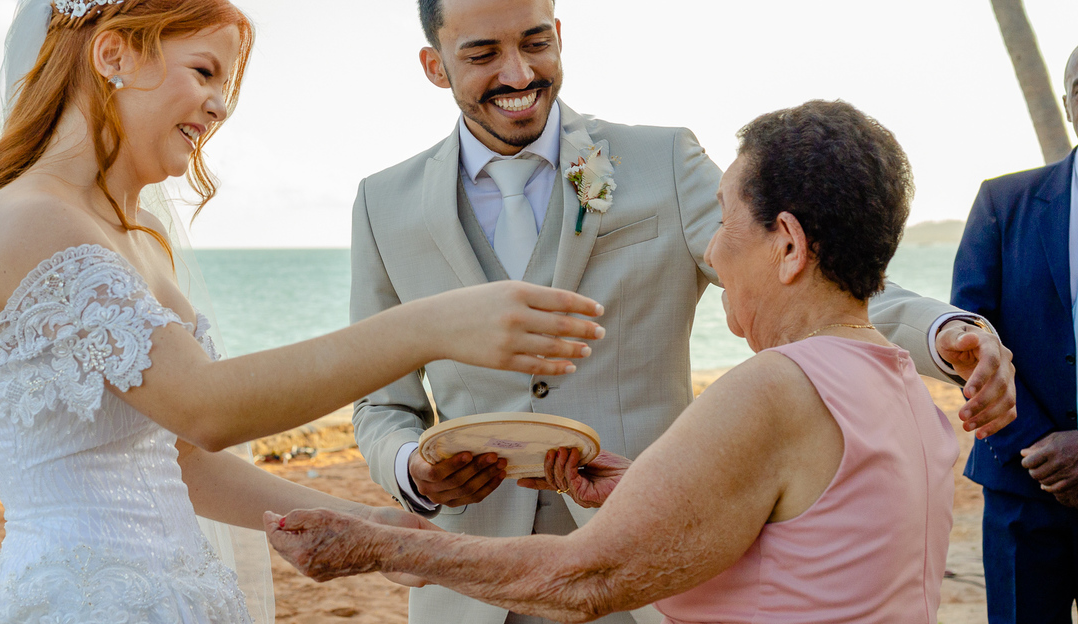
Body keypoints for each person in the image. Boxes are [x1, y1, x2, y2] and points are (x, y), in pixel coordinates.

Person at [0, 0, 605, 624]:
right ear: (113, 55)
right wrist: (431, 326)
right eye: (204, 71)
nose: (219, 108)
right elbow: (207, 408)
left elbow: (184, 460)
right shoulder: (30, 218)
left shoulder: (139, 238)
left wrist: (367, 522)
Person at [348, 0, 1015, 624]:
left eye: (536, 42)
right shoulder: (382, 205)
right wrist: (410, 470)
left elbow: (810, 276)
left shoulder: (661, 162)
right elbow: (379, 400)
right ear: (435, 65)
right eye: (483, 54)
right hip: (469, 592)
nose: (518, 75)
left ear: (560, 34)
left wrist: (945, 333)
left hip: (651, 574)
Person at [271, 100, 962, 623]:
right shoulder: (910, 398)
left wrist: (379, 547)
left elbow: (586, 580)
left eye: (724, 221)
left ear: (787, 245)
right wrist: (644, 491)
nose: (711, 249)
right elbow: (800, 547)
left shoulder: (774, 389)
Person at [950, 45, 1078, 623]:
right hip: (1021, 489)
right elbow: (967, 341)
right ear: (1066, 104)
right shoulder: (1002, 203)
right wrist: (1039, 448)